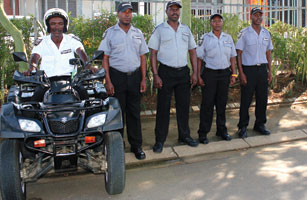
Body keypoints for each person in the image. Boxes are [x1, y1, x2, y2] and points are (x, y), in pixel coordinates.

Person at [98, 2, 149, 160]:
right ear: (118, 14)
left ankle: (136, 146)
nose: (127, 14)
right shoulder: (110, 33)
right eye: (124, 12)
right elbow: (105, 58)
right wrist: (108, 81)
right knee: (117, 114)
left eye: (130, 12)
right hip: (117, 77)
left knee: (134, 113)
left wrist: (143, 78)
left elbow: (143, 57)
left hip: (134, 77)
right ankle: (117, 147)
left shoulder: (137, 33)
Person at [148, 1, 198, 153]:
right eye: (172, 9)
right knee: (163, 108)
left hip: (183, 72)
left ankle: (184, 135)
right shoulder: (160, 30)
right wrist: (155, 75)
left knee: (184, 106)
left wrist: (195, 72)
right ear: (166, 12)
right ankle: (160, 140)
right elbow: (153, 54)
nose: (175, 12)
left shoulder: (185, 30)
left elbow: (193, 52)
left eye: (177, 10)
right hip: (166, 73)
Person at [24, 8, 96, 101]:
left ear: (65, 26)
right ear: (48, 26)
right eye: (53, 24)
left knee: (86, 100)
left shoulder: (72, 40)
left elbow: (81, 52)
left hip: (70, 81)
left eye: (60, 24)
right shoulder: (42, 42)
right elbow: (35, 58)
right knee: (34, 103)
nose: (56, 27)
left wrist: (88, 65)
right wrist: (31, 69)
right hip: (47, 82)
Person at [196, 14, 237, 144]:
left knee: (221, 104)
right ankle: (203, 133)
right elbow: (199, 58)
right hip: (210, 75)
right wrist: (198, 76)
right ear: (211, 23)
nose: (217, 23)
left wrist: (234, 74)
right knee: (207, 105)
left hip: (224, 74)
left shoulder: (228, 38)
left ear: (222, 23)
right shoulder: (205, 38)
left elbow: (232, 57)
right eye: (214, 21)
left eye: (220, 21)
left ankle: (221, 130)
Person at [235, 7, 273, 138]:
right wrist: (241, 73)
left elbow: (268, 53)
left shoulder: (266, 34)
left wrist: (270, 71)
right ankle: (243, 126)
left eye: (260, 15)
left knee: (263, 99)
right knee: (246, 100)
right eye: (256, 15)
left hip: (262, 69)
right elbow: (238, 54)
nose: (258, 17)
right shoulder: (244, 33)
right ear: (250, 17)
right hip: (248, 70)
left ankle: (260, 124)